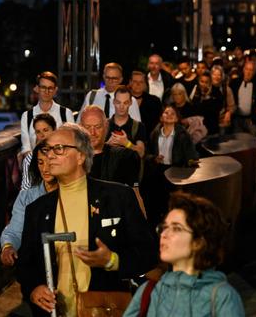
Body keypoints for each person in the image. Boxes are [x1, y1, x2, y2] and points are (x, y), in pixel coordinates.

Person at [17, 124, 158, 316]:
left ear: (81, 156)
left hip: (104, 309)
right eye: (47, 149)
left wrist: (112, 261)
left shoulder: (118, 197)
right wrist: (34, 289)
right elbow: (25, 264)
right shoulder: (37, 209)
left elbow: (148, 254)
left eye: (59, 149)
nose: (50, 155)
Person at [123, 192, 245, 316]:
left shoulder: (221, 297)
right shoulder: (149, 292)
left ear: (198, 242)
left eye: (176, 228)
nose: (164, 235)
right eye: (164, 228)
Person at [0, 141, 58, 266]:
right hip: (37, 263)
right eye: (40, 162)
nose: (45, 168)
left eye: (49, 162)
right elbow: (14, 231)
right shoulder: (26, 197)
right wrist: (8, 247)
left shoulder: (71, 193)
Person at [143, 106, 199, 225]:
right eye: (166, 112)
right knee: (157, 205)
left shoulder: (183, 136)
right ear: (161, 118)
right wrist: (154, 158)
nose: (169, 114)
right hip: (158, 173)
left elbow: (192, 156)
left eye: (173, 113)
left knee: (173, 204)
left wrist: (191, 161)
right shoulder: (154, 134)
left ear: (177, 118)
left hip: (175, 174)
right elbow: (147, 155)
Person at [80, 105, 140, 187]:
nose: (92, 132)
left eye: (97, 127)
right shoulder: (71, 157)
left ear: (106, 126)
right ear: (80, 127)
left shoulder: (124, 157)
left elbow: (135, 192)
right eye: (87, 127)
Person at [20, 71, 74, 158]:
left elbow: (72, 142)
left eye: (50, 88)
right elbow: (26, 148)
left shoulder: (66, 113)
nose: (46, 91)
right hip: (36, 164)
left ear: (55, 90)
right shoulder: (26, 116)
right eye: (43, 87)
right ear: (37, 88)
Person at [106, 86, 147, 159]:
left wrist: (126, 143)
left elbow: (141, 153)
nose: (121, 106)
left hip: (130, 169)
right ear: (114, 102)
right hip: (106, 170)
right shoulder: (104, 125)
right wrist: (107, 144)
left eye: (125, 103)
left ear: (130, 103)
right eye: (118, 102)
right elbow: (93, 151)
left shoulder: (138, 126)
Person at [20, 113, 56, 190]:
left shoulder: (64, 154)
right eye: (38, 132)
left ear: (54, 130)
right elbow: (25, 188)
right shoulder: (29, 159)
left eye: (45, 130)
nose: (42, 135)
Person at [130, 70, 163, 138]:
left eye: (141, 82)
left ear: (145, 84)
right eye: (135, 81)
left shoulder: (155, 101)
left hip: (148, 139)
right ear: (130, 82)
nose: (138, 84)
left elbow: (159, 123)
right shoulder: (123, 99)